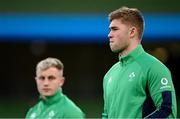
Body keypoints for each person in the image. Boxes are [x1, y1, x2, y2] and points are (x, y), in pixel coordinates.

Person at [102, 6, 177, 118]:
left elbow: (167, 112)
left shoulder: (154, 68)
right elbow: (106, 115)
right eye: (109, 30)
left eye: (115, 29)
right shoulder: (109, 74)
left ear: (132, 32)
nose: (109, 34)